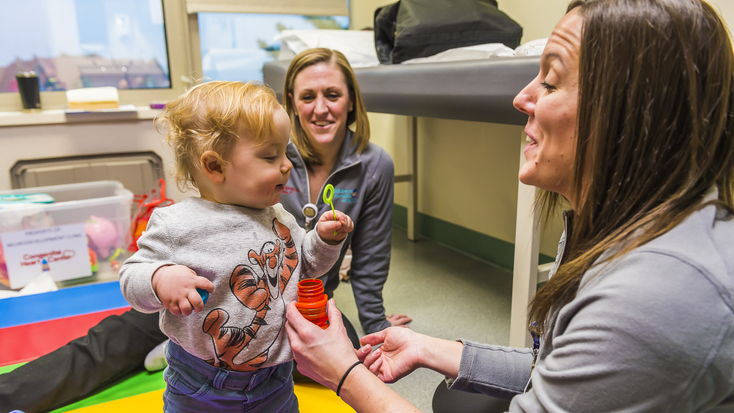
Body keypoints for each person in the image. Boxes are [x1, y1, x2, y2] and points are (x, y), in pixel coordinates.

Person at [284, 0, 734, 411]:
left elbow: (370, 261)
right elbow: (551, 363)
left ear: (632, 112)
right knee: (459, 396)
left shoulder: (652, 298)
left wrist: (345, 374)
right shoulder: (607, 225)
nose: (521, 98)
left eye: (551, 81)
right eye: (307, 97)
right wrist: (427, 346)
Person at [0, 49, 409, 412]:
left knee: (345, 360)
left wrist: (369, 313)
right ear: (292, 105)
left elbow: (345, 257)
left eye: (333, 95)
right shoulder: (255, 146)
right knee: (119, 336)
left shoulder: (366, 167)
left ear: (352, 102)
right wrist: (161, 279)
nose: (320, 108)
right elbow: (134, 272)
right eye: (307, 96)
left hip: (286, 320)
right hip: (196, 306)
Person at [118, 80, 353, 412]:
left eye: (285, 151)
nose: (286, 165)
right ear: (215, 166)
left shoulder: (279, 216)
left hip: (275, 379)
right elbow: (130, 278)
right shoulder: (176, 224)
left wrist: (325, 240)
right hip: (200, 384)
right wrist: (159, 278)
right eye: (270, 156)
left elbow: (308, 264)